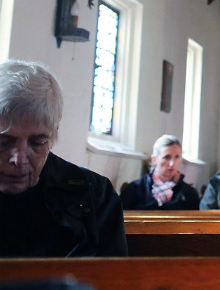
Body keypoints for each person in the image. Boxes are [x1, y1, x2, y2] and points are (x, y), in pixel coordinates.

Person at [0, 59, 127, 257]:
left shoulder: (96, 196)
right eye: (4, 142)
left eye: (37, 143)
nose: (19, 159)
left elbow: (112, 280)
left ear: (53, 133)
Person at [120, 134, 199, 210]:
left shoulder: (189, 193)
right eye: (167, 157)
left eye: (177, 157)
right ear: (154, 159)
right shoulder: (135, 189)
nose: (172, 163)